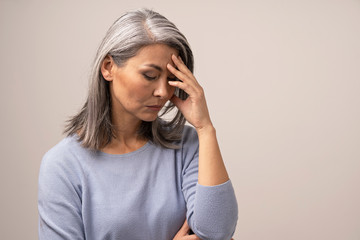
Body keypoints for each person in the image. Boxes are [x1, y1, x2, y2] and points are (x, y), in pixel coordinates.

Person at [38, 8, 238, 240]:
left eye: (171, 79)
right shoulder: (63, 165)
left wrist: (205, 128)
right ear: (108, 67)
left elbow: (218, 233)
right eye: (150, 76)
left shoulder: (186, 145)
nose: (163, 92)